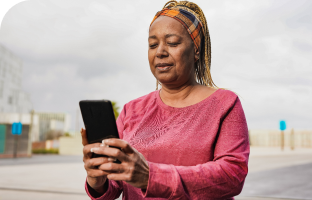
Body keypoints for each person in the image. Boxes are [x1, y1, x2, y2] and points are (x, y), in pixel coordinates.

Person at [81, 1, 249, 199]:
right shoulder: (131, 110)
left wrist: (150, 176)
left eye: (172, 43)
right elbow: (115, 186)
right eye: (153, 44)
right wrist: (97, 181)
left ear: (196, 50)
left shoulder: (225, 103)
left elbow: (231, 176)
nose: (160, 51)